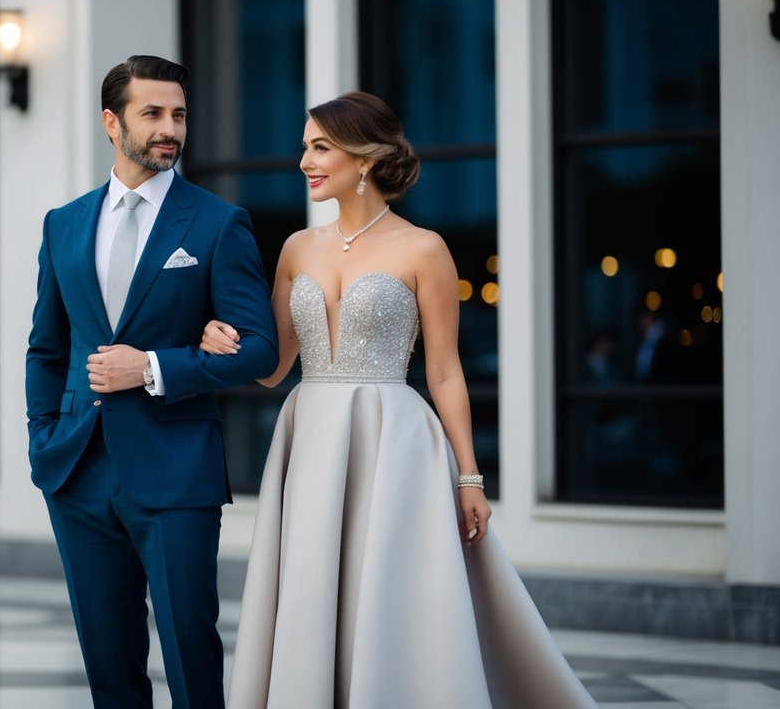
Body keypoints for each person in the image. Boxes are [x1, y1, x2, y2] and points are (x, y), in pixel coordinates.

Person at [199, 91, 597, 708]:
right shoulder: (296, 249)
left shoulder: (424, 249)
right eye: (304, 146)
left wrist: (469, 477)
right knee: (310, 589)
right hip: (308, 437)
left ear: (364, 159)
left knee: (386, 591)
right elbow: (274, 369)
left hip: (395, 441)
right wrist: (221, 340)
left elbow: (444, 373)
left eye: (320, 147)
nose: (304, 159)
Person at [25, 55, 278, 709]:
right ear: (112, 122)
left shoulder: (219, 223)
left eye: (179, 114)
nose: (171, 129)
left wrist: (154, 366)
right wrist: (42, 438)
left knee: (190, 651)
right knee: (107, 662)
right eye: (153, 114)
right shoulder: (64, 223)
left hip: (175, 469)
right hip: (77, 467)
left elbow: (258, 350)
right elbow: (46, 348)